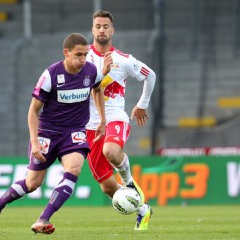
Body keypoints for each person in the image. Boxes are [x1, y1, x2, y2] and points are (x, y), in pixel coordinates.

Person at [0, 33, 112, 235]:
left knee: (74, 170)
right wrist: (35, 142)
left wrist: (102, 120)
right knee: (32, 183)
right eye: (78, 55)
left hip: (74, 131)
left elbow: (97, 89)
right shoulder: (51, 75)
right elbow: (33, 110)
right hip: (47, 132)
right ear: (66, 53)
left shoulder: (90, 70)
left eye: (85, 55)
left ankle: (43, 218)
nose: (82, 60)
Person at [85, 10, 156, 231]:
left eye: (106, 26)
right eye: (98, 26)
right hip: (89, 126)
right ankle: (143, 210)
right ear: (92, 30)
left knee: (111, 152)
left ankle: (130, 184)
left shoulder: (123, 59)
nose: (102, 30)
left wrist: (142, 104)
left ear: (112, 30)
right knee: (107, 187)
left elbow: (150, 75)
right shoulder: (82, 56)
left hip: (116, 118)